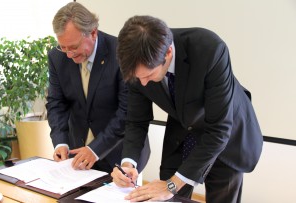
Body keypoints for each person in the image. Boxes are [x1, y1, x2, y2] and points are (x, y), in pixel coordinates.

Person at [111, 15, 263, 203]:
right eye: (137, 78)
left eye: (148, 75)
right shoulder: (135, 61)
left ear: (167, 53)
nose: (142, 83)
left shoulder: (210, 49)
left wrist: (171, 185)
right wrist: (128, 163)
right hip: (182, 129)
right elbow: (135, 120)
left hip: (227, 134)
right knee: (165, 199)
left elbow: (219, 131)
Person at [46, 3, 150, 173]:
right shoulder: (57, 57)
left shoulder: (121, 53)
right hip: (78, 155)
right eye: (63, 47)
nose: (69, 54)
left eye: (73, 47)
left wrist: (95, 149)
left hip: (118, 152)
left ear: (93, 33)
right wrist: (60, 142)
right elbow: (56, 103)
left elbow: (127, 111)